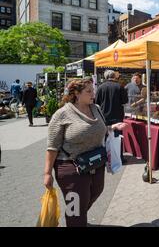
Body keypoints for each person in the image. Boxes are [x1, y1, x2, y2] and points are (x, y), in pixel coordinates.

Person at [43, 78, 126, 227]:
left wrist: (112, 127)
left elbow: (99, 129)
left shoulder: (96, 108)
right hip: (71, 167)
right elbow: (52, 147)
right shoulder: (62, 114)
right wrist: (47, 173)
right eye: (89, 91)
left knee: (95, 192)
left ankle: (78, 219)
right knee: (75, 208)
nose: (93, 93)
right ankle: (76, 222)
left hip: (95, 162)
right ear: (76, 93)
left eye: (93, 90)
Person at [95, 70, 128, 163]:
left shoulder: (100, 87)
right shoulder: (120, 86)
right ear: (115, 76)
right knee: (118, 138)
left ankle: (105, 157)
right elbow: (125, 101)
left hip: (103, 116)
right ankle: (119, 157)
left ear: (105, 77)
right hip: (117, 116)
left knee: (105, 138)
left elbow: (96, 102)